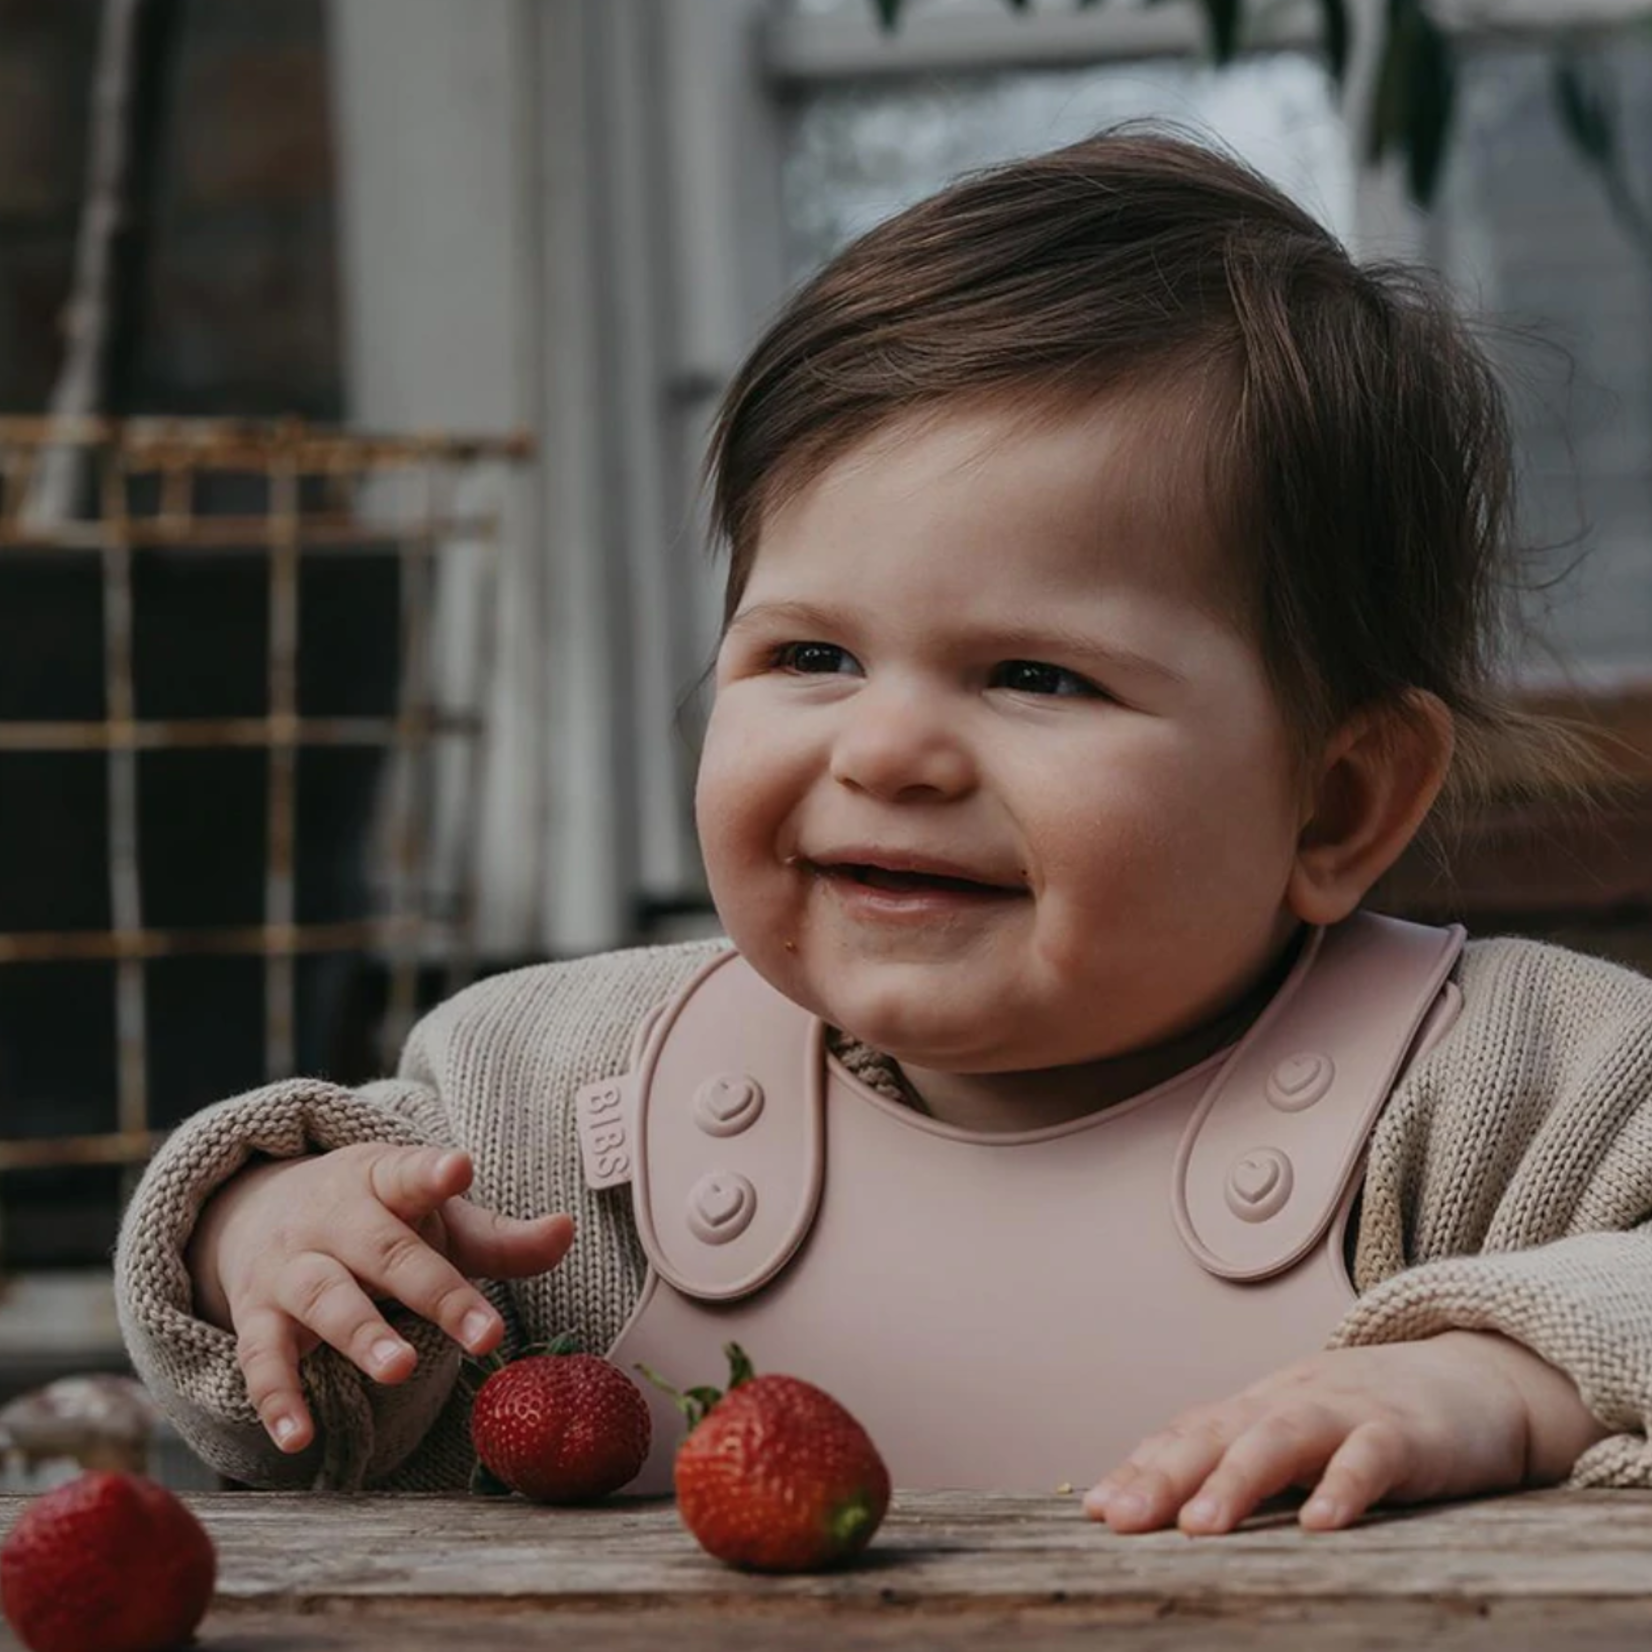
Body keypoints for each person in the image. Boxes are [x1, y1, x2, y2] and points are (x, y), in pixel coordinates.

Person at [116, 129, 1652, 1536]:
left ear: (1338, 801)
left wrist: (1503, 1376)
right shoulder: (549, 1105)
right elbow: (303, 1414)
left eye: (1035, 675)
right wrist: (262, 1230)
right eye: (811, 657)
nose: (891, 748)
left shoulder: (1518, 1094)